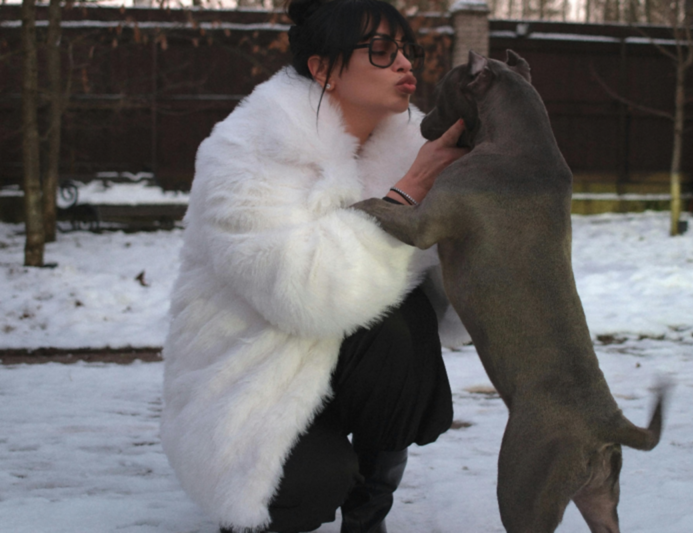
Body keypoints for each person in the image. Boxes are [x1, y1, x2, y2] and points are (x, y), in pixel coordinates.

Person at [159, 0, 471, 532]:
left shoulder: (411, 146)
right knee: (305, 484)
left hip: (343, 359)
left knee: (407, 321)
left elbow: (456, 291)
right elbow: (304, 292)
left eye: (406, 50)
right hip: (252, 374)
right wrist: (407, 196)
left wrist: (479, 191)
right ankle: (292, 484)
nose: (404, 63)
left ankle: (369, 513)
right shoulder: (247, 149)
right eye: (381, 50)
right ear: (323, 67)